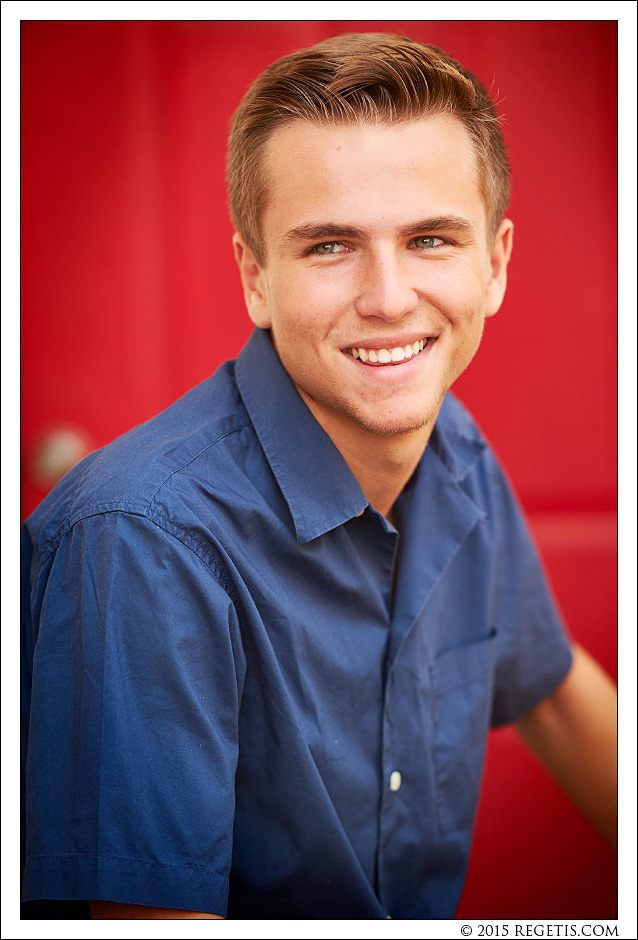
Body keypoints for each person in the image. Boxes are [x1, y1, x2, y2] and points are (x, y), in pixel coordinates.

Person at [21, 32, 616, 920]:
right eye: (331, 246)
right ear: (255, 277)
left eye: (429, 239)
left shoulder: (454, 450)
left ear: (494, 264)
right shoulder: (141, 540)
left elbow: (558, 693)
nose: (387, 297)